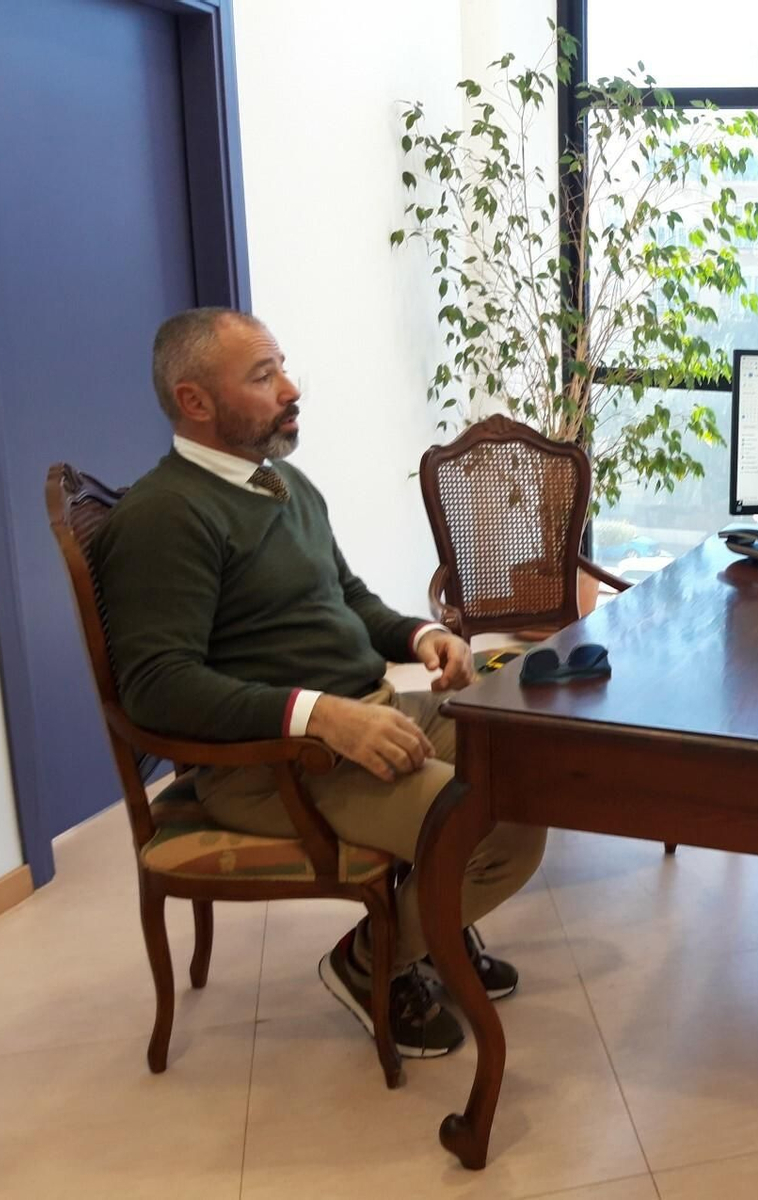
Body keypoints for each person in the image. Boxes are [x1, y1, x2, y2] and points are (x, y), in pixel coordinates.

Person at [94, 308, 547, 1060]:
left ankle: (429, 930)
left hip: (361, 712)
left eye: (282, 368)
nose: (290, 388)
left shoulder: (283, 484)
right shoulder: (164, 517)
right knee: (499, 830)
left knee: (526, 763)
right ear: (195, 401)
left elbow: (347, 597)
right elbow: (156, 688)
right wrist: (319, 718)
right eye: (263, 376)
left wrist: (421, 635)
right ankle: (372, 960)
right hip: (271, 764)